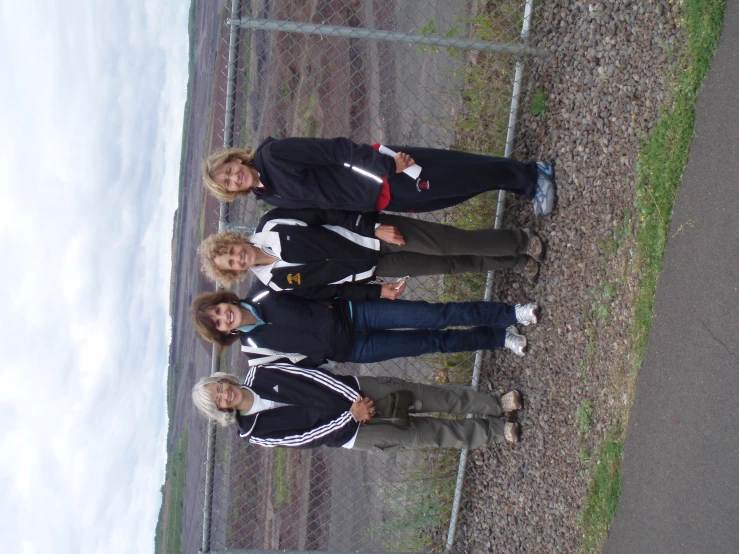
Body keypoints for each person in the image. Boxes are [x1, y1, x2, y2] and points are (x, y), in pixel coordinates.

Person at [198, 207, 544, 297]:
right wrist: (376, 289)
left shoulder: (272, 224)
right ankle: (515, 261)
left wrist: (372, 228)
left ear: (234, 240)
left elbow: (327, 214)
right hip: (374, 266)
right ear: (234, 273)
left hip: (376, 236)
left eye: (231, 250)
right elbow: (331, 290)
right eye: (230, 263)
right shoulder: (275, 283)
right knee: (451, 264)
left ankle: (521, 239)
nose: (237, 257)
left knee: (448, 243)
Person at [191, 362, 524, 449]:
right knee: (426, 435)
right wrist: (349, 419)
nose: (224, 395)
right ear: (219, 410)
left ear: (224, 380)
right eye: (217, 400)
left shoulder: (260, 373)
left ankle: (495, 403)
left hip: (358, 391)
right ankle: (495, 431)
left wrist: (353, 401)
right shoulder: (253, 432)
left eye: (218, 387)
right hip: (351, 434)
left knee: (429, 396)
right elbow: (306, 438)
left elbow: (311, 377)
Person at [201, 136, 556, 216]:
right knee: (455, 193)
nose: (235, 178)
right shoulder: (268, 196)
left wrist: (387, 166)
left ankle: (531, 175)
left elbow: (337, 151)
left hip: (388, 174)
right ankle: (521, 184)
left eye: (230, 170)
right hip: (380, 200)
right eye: (228, 183)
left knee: (460, 174)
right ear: (231, 192)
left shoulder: (274, 155)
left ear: (236, 159)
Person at [190, 287, 538, 364]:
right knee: (435, 343)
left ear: (226, 300)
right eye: (219, 323)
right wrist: (328, 356)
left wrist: (372, 292)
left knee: (437, 315)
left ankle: (510, 313)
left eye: (219, 310)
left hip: (360, 313)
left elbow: (322, 285)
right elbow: (296, 367)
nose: (224, 317)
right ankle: (499, 338)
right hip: (355, 349)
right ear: (224, 333)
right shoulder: (254, 349)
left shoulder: (266, 289)